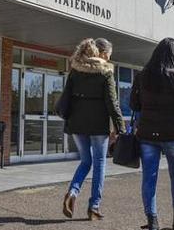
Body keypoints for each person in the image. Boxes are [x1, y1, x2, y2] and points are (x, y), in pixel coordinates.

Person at [130, 38, 174, 230]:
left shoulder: (142, 75)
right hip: (173, 135)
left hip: (147, 136)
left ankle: (152, 221)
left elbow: (133, 105)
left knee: (148, 178)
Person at [62, 38, 126, 220]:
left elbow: (67, 96)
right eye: (109, 55)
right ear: (104, 54)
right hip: (98, 126)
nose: (109, 58)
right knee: (99, 164)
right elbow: (112, 103)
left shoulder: (75, 70)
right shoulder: (105, 72)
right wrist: (121, 128)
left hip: (76, 124)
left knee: (85, 161)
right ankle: (94, 207)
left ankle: (73, 192)